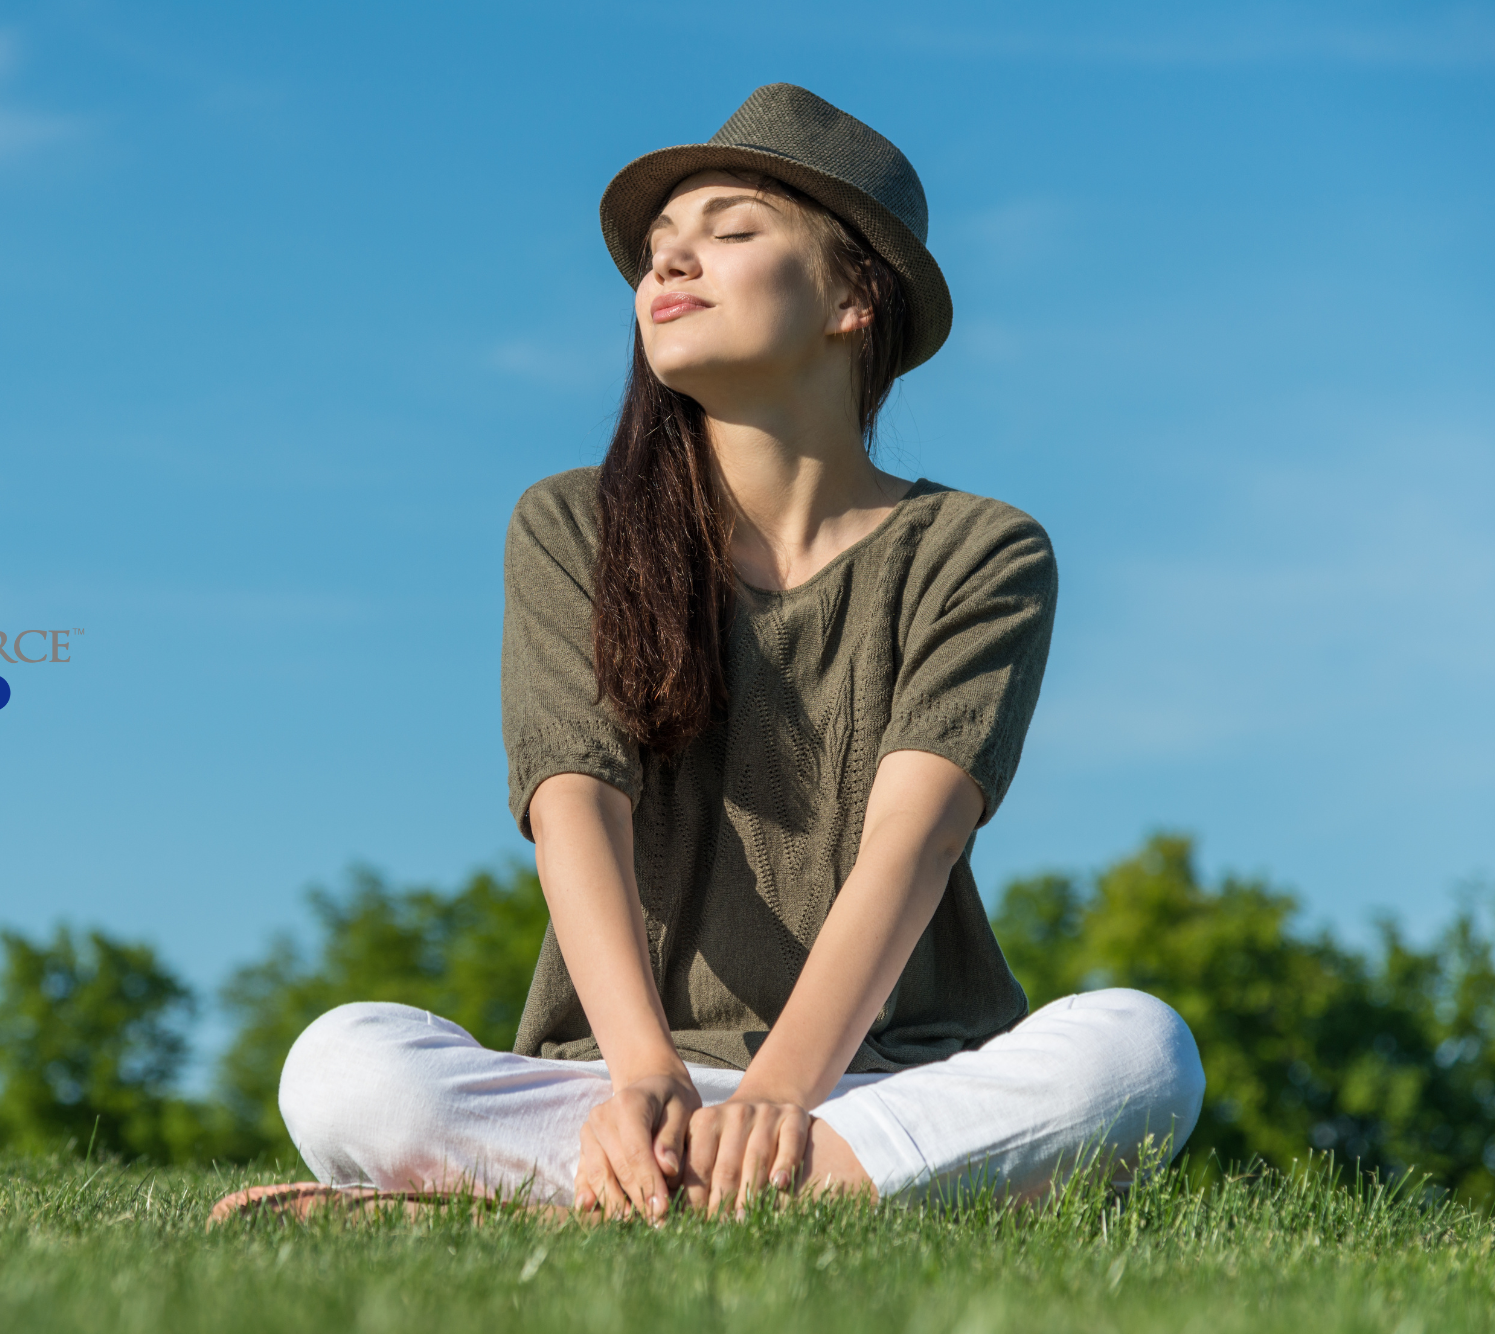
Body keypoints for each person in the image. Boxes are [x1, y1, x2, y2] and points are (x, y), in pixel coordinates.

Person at [211, 83, 1204, 1225]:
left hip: (871, 1084)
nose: (666, 270)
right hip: (624, 1081)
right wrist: (640, 1072)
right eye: (654, 254)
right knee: (344, 1060)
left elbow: (913, 836)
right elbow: (571, 800)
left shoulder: (977, 548)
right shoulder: (572, 522)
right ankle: (776, 1198)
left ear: (850, 296)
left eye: (728, 234)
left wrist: (782, 1091)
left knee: (1137, 1051)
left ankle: (564, 1210)